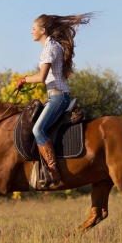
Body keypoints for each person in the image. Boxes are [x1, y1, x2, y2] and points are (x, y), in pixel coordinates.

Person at [16, 13, 93, 188]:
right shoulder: (52, 46)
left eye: (34, 28)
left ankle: (53, 170)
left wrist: (24, 79)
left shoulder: (49, 49)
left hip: (58, 97)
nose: (31, 32)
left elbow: (42, 77)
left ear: (42, 30)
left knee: (38, 129)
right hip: (55, 96)